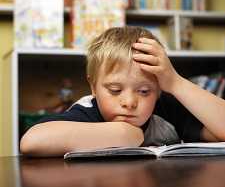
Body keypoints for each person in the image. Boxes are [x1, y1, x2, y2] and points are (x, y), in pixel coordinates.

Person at [20, 26, 225, 157]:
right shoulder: (89, 110)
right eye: (115, 90)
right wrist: (126, 134)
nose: (129, 102)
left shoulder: (164, 107)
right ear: (93, 87)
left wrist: (175, 83)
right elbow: (30, 142)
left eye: (144, 91)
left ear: (159, 90)